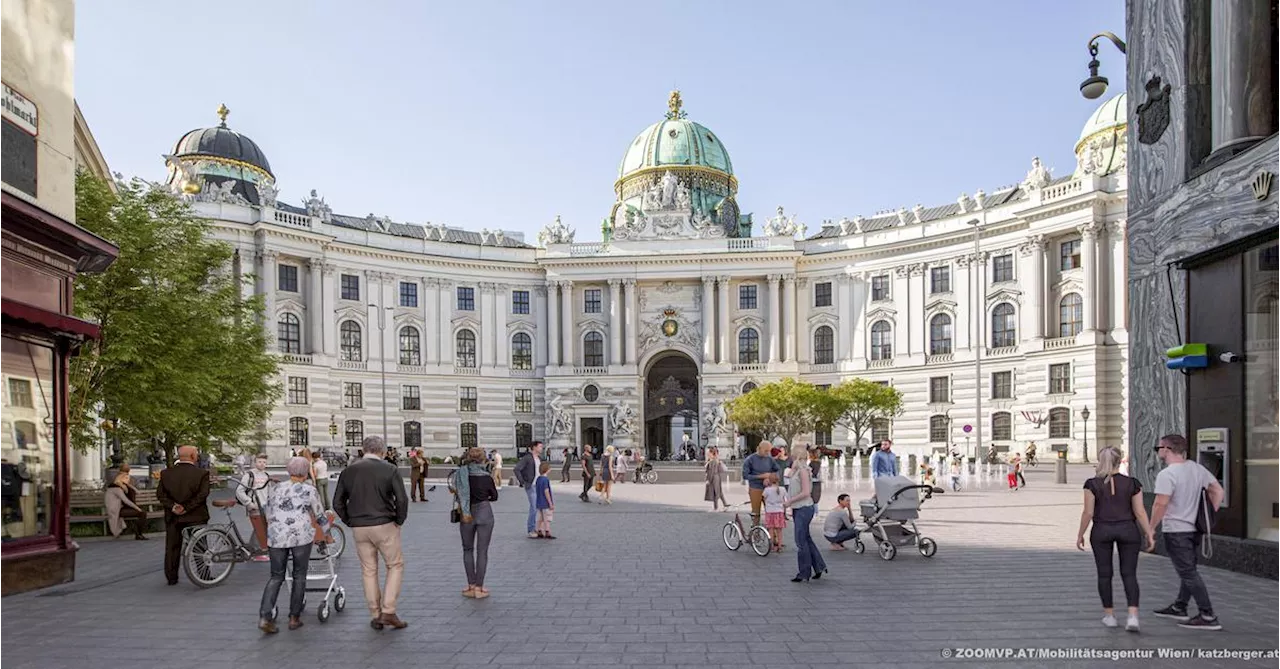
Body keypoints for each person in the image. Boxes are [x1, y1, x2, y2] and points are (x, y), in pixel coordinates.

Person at [333, 435, 409, 631]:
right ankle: (389, 610)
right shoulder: (390, 469)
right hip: (384, 523)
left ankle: (375, 614)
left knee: (368, 569)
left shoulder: (348, 471)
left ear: (363, 449)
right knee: (394, 565)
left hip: (359, 526)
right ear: (382, 451)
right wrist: (399, 520)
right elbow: (401, 499)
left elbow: (337, 502)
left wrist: (349, 520)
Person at [1150, 434, 1224, 630]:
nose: (1158, 452)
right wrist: (1207, 514)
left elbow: (1160, 504)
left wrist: (1150, 528)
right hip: (1195, 529)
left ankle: (1207, 615)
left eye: (1159, 448)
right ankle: (1179, 606)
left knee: (1188, 572)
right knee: (1189, 569)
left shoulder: (1167, 475)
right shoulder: (1196, 468)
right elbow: (1218, 491)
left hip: (1176, 529)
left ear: (1166, 449)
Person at [1076, 446, 1154, 633]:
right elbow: (1140, 511)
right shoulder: (1133, 483)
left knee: (1104, 574)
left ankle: (1109, 616)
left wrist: (1080, 534)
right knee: (1129, 573)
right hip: (1128, 530)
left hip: (1102, 530)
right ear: (1120, 461)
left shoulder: (1092, 484)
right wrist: (1149, 532)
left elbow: (1088, 512)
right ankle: (1133, 616)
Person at [258, 456, 328, 634]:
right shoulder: (309, 489)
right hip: (300, 536)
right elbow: (319, 514)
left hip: (276, 537)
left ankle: (265, 616)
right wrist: (327, 532)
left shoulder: (275, 488)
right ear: (305, 472)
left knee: (276, 576)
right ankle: (294, 618)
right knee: (299, 575)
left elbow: (267, 509)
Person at [157, 445, 211, 586]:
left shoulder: (166, 473)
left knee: (172, 546)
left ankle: (171, 577)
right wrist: (186, 508)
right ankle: (203, 575)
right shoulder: (202, 474)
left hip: (173, 516)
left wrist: (173, 506)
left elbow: (161, 495)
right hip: (196, 516)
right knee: (199, 546)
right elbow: (202, 495)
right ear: (193, 456)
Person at [451, 447, 497, 600]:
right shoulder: (486, 477)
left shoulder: (461, 474)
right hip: (485, 513)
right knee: (482, 551)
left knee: (467, 549)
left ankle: (470, 585)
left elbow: (455, 491)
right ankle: (479, 587)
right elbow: (494, 496)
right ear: (483, 459)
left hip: (466, 514)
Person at [783, 448, 826, 582]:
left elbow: (806, 492)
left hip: (804, 508)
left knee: (800, 541)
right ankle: (818, 566)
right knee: (806, 539)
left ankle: (804, 572)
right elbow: (788, 476)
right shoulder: (798, 470)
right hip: (799, 508)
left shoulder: (803, 471)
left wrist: (789, 501)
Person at [236, 454, 273, 562]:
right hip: (255, 505)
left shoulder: (266, 475)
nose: (262, 464)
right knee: (259, 528)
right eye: (260, 462)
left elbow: (269, 491)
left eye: (264, 462)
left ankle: (254, 549)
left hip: (265, 505)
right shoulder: (249, 475)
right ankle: (256, 552)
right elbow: (240, 491)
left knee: (261, 528)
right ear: (255, 462)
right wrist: (249, 502)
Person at [742, 442, 782, 525]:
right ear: (759, 448)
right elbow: (745, 476)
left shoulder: (770, 459)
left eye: (769, 451)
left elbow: (778, 470)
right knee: (756, 512)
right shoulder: (750, 460)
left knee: (771, 511)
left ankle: (772, 533)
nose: (767, 453)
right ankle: (755, 532)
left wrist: (770, 478)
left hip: (768, 488)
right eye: (765, 451)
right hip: (755, 488)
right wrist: (761, 476)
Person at [104, 465, 147, 540]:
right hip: (116, 511)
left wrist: (133, 489)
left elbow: (129, 488)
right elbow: (126, 501)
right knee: (142, 513)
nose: (128, 478)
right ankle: (139, 534)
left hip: (120, 508)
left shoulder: (120, 486)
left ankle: (139, 534)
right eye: (126, 477)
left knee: (142, 513)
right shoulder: (116, 489)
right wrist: (138, 508)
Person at [514, 441, 544, 536]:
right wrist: (522, 482)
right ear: (534, 447)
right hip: (531, 486)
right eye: (540, 447)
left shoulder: (539, 458)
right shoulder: (527, 458)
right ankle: (531, 529)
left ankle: (538, 528)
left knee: (540, 508)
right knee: (534, 507)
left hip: (538, 485)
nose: (542, 448)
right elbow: (516, 469)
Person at [762, 473, 786, 552]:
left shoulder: (767, 490)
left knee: (771, 530)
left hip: (770, 511)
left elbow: (764, 498)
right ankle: (779, 546)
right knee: (779, 530)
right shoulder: (782, 489)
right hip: (779, 511)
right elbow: (785, 499)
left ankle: (771, 545)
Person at [704, 447, 728, 511]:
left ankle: (716, 507)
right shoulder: (716, 460)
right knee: (719, 492)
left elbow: (711, 472)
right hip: (717, 477)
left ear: (711, 453)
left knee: (715, 492)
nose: (707, 453)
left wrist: (708, 480)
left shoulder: (712, 461)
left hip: (714, 478)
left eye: (708, 452)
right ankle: (725, 505)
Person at [535, 462, 555, 539]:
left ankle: (539, 530)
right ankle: (547, 531)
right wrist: (550, 503)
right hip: (545, 502)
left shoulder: (538, 479)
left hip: (539, 501)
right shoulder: (545, 480)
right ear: (547, 470)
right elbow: (546, 491)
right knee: (547, 518)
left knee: (540, 518)